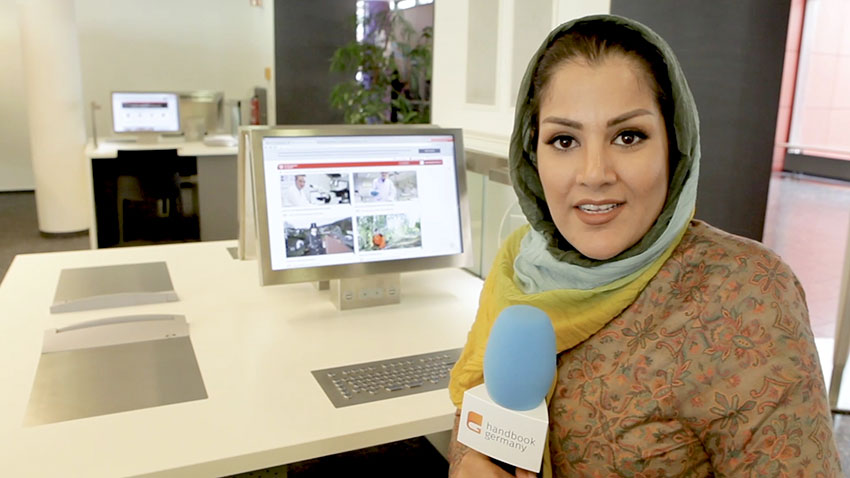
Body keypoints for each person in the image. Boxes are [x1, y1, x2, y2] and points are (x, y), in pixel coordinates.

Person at [447, 15, 841, 478]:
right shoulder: (521, 264)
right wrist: (466, 462)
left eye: (627, 137)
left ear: (674, 146)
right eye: (564, 139)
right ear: (533, 155)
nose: (594, 173)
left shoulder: (746, 294)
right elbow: (481, 416)